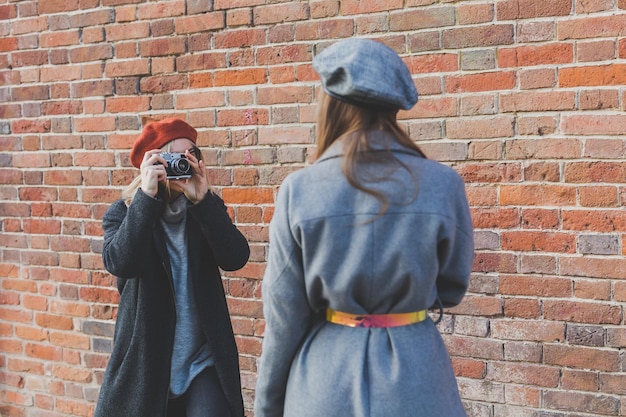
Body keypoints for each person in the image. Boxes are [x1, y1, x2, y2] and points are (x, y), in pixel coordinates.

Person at [254, 38, 475, 417]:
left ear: (333, 104)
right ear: (393, 105)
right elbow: (452, 286)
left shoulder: (300, 190)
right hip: (418, 377)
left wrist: (268, 406)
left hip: (324, 383)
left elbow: (284, 316)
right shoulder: (443, 184)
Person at [94, 118, 250, 417]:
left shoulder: (205, 208)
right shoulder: (124, 212)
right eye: (174, 158)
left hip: (202, 360)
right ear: (152, 164)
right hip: (147, 362)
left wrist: (204, 203)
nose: (184, 164)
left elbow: (236, 258)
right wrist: (146, 200)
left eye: (191, 156)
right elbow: (120, 262)